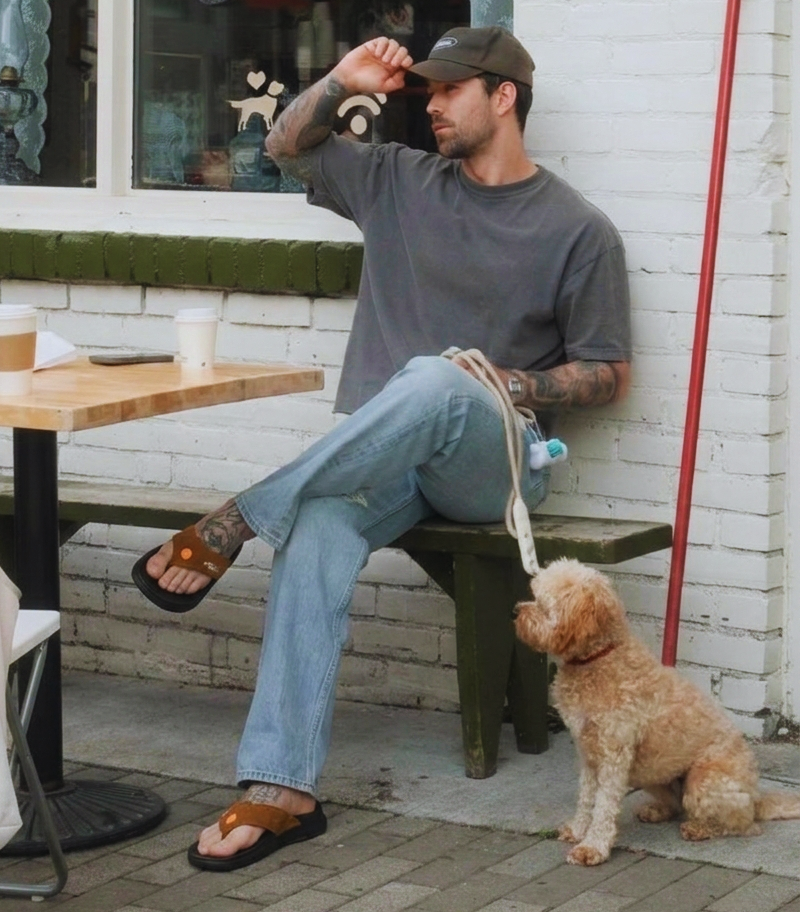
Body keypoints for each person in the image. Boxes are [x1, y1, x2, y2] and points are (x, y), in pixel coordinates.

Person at [132, 26, 632, 871]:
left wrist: (501, 382)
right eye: (427, 89)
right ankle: (282, 787)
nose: (431, 105)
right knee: (317, 524)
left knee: (440, 377)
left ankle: (239, 518)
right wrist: (341, 79)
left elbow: (608, 372)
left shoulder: (577, 229)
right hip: (387, 461)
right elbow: (287, 149)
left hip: (495, 465)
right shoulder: (399, 180)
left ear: (503, 97)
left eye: (450, 90)